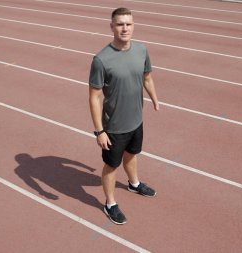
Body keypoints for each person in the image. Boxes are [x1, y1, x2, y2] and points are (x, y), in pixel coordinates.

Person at [88, 7, 159, 225]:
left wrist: (156, 99)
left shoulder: (141, 50)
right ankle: (110, 204)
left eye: (128, 24)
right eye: (120, 24)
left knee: (132, 154)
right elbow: (94, 97)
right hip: (114, 128)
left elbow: (147, 78)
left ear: (133, 26)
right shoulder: (101, 60)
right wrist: (99, 131)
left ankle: (134, 183)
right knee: (111, 166)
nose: (124, 28)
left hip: (136, 120)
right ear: (112, 26)